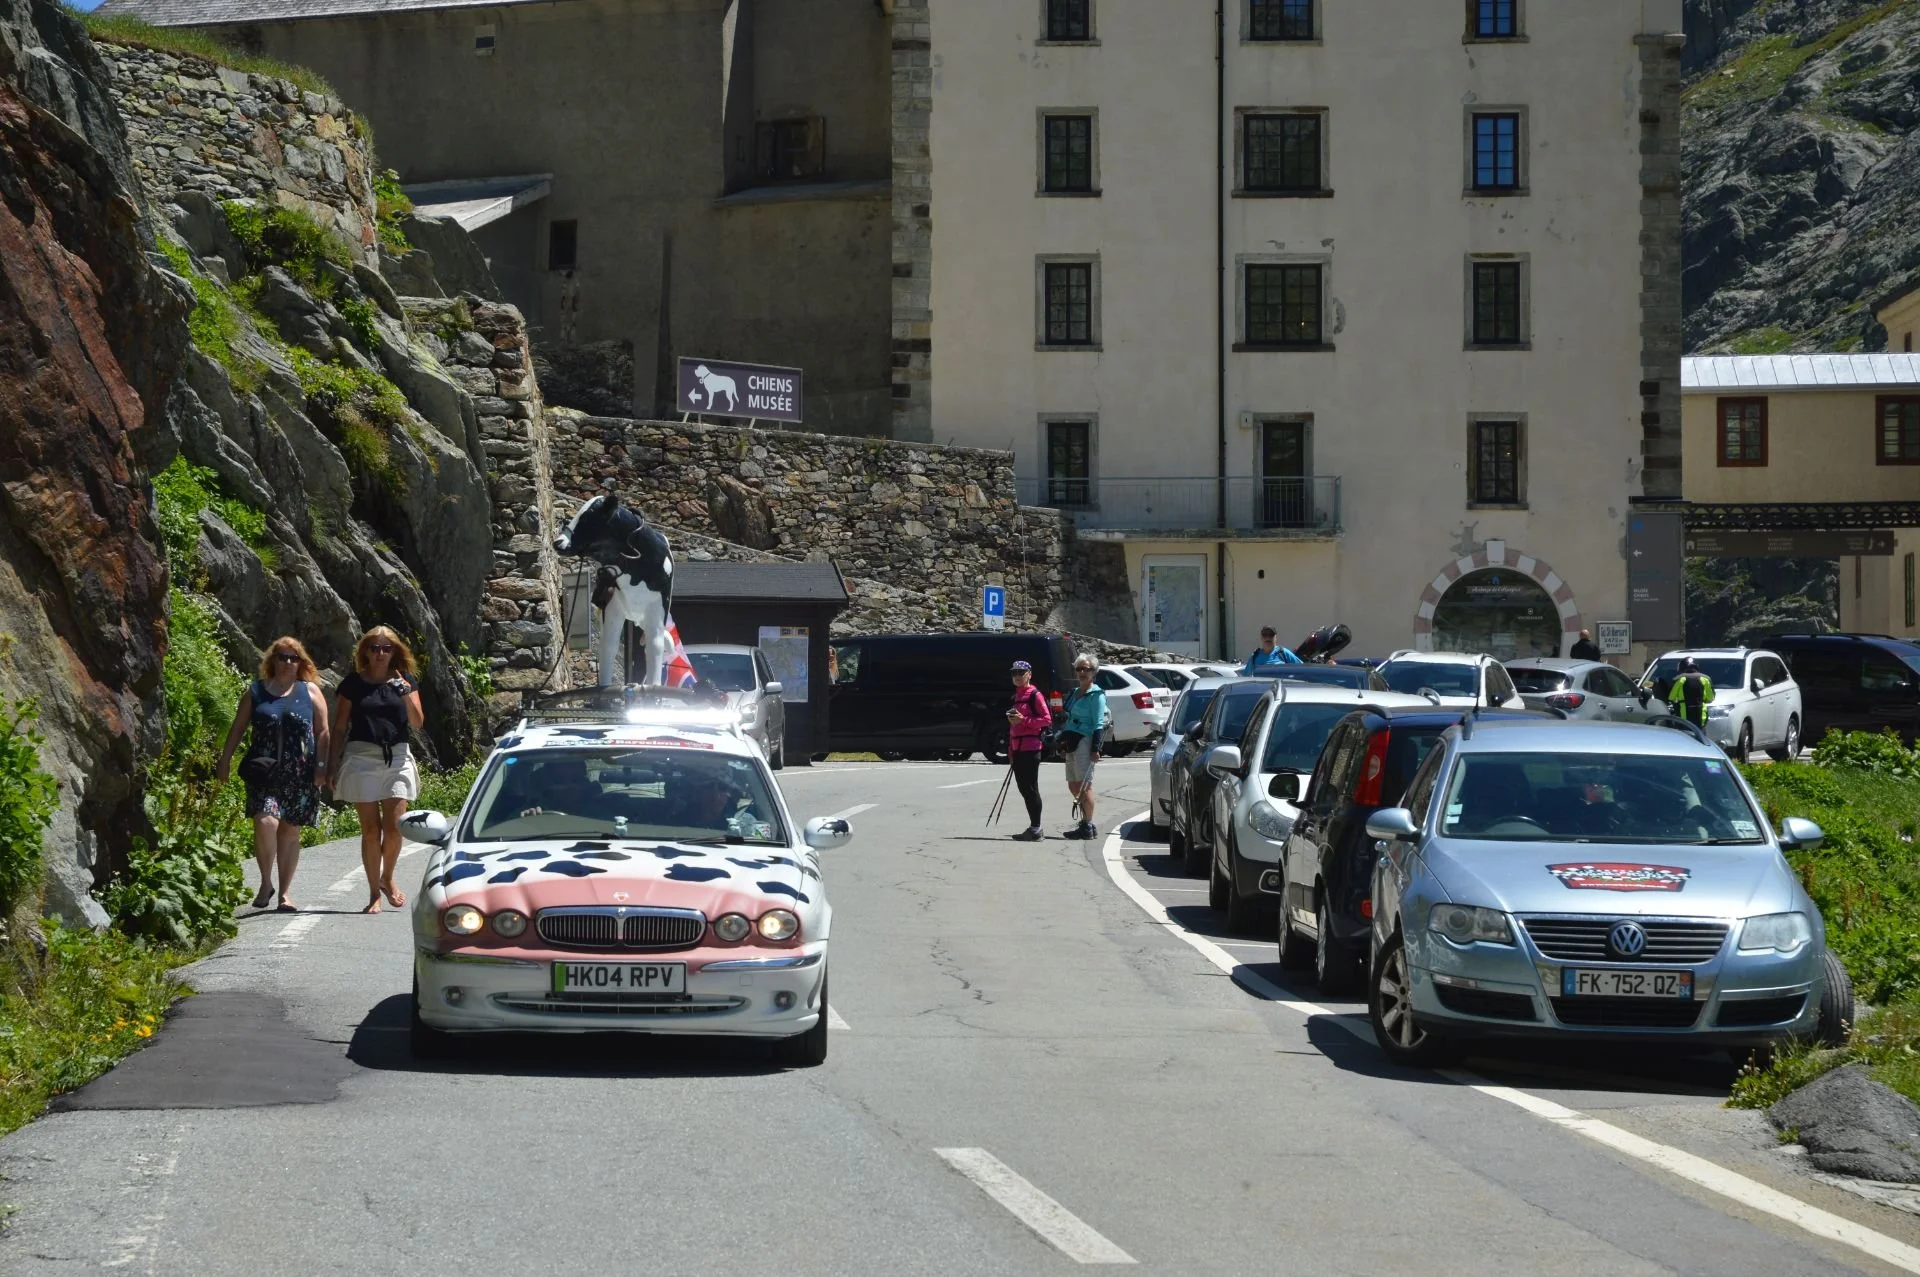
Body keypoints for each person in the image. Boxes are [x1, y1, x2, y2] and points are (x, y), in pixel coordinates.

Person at [217, 637, 329, 912]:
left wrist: (322, 767)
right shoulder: (256, 691)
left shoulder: (310, 691)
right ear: (272, 660)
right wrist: (225, 759)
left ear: (301, 662)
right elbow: (238, 727)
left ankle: (285, 894)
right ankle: (266, 882)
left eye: (294, 658)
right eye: (282, 656)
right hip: (264, 771)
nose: (288, 662)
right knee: (266, 821)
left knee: (291, 831)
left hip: (300, 773)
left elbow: (323, 731)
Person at [327, 627, 425, 913]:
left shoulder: (406, 681)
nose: (380, 653)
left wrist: (406, 694)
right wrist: (332, 764)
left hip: (396, 757)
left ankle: (387, 878)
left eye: (386, 648)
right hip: (361, 757)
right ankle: (373, 894)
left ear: (395, 651)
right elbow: (340, 727)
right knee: (371, 830)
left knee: (395, 828)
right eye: (374, 648)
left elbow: (418, 723)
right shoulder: (353, 685)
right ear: (365, 652)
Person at [1058, 655, 1111, 840]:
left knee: (1085, 785)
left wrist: (1095, 749)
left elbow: (1098, 723)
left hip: (1085, 741)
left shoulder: (1096, 695)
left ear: (1094, 672)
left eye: (1086, 669)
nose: (1082, 672)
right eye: (1079, 669)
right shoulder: (1075, 692)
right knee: (1073, 784)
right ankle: (1085, 823)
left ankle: (1088, 824)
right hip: (1071, 740)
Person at [1004, 660, 1052, 841]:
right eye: (1014, 673)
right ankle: (1034, 827)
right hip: (1017, 748)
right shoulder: (1016, 696)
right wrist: (1010, 749)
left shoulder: (1035, 695)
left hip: (1031, 747)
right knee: (1024, 788)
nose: (1017, 676)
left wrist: (1024, 720)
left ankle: (1036, 828)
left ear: (1029, 675)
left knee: (1030, 788)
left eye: (1021, 673)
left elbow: (1047, 719)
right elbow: (1013, 727)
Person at [1667, 656, 1715, 730]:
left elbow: (1671, 697)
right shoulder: (1705, 679)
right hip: (1701, 718)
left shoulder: (1679, 679)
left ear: (1681, 667)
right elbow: (1710, 698)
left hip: (1683, 718)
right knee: (1701, 739)